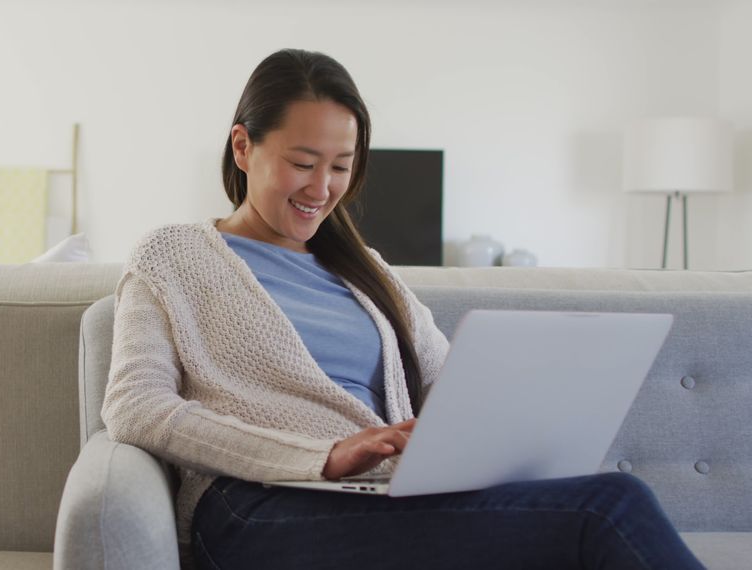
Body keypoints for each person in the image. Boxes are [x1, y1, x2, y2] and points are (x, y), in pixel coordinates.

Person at [102, 48, 703, 569]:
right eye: (303, 163)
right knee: (609, 508)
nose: (322, 190)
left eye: (341, 167)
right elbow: (136, 406)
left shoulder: (368, 270)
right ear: (243, 146)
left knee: (599, 500)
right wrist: (325, 457)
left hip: (377, 499)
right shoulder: (172, 256)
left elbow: (450, 379)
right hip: (253, 506)